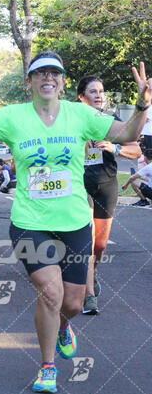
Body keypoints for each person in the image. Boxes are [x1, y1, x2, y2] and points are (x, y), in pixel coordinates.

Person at [0, 52, 151, 394]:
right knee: (50, 292)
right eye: (40, 73)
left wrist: (142, 104)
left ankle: (61, 327)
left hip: (74, 222)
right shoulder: (13, 117)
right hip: (30, 220)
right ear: (29, 82)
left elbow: (126, 132)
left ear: (61, 82)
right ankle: (47, 366)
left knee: (72, 303)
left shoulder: (80, 114)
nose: (48, 78)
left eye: (54, 74)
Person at [78, 76, 141, 314]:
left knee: (100, 245)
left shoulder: (110, 121)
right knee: (87, 239)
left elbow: (135, 150)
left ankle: (91, 275)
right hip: (79, 185)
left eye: (101, 91)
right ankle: (89, 297)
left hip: (106, 184)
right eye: (92, 91)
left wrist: (113, 147)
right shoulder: (73, 121)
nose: (99, 95)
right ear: (81, 97)